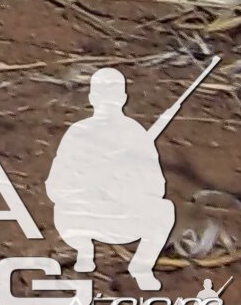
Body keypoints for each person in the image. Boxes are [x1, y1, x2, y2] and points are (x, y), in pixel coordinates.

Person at [48, 68, 178, 290]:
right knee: (163, 210)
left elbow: (155, 187)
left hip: (119, 217)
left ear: (91, 97)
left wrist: (125, 186)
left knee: (164, 209)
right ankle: (84, 250)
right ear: (123, 98)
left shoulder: (133, 134)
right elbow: (56, 186)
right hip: (84, 216)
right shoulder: (79, 133)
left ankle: (141, 267)